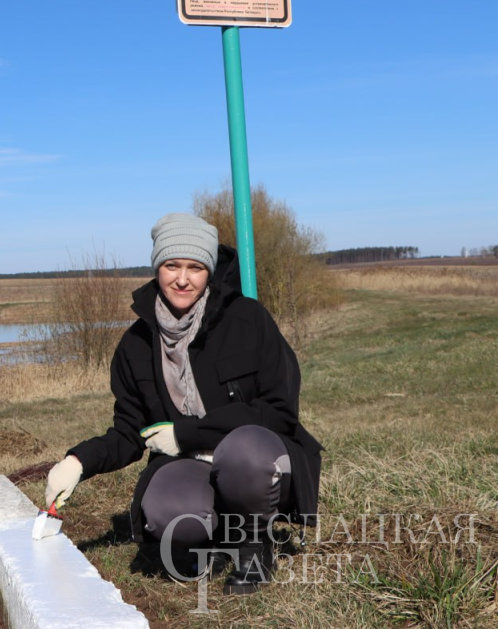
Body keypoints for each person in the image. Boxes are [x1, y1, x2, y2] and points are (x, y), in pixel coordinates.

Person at [44, 213, 322, 595]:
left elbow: (278, 411)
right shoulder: (136, 345)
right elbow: (130, 432)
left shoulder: (247, 319)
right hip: (190, 462)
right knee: (167, 511)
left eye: (195, 267)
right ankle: (216, 535)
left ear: (209, 271)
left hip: (260, 459)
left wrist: (186, 433)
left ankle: (254, 547)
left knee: (244, 451)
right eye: (172, 265)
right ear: (157, 267)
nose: (182, 279)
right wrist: (77, 463)